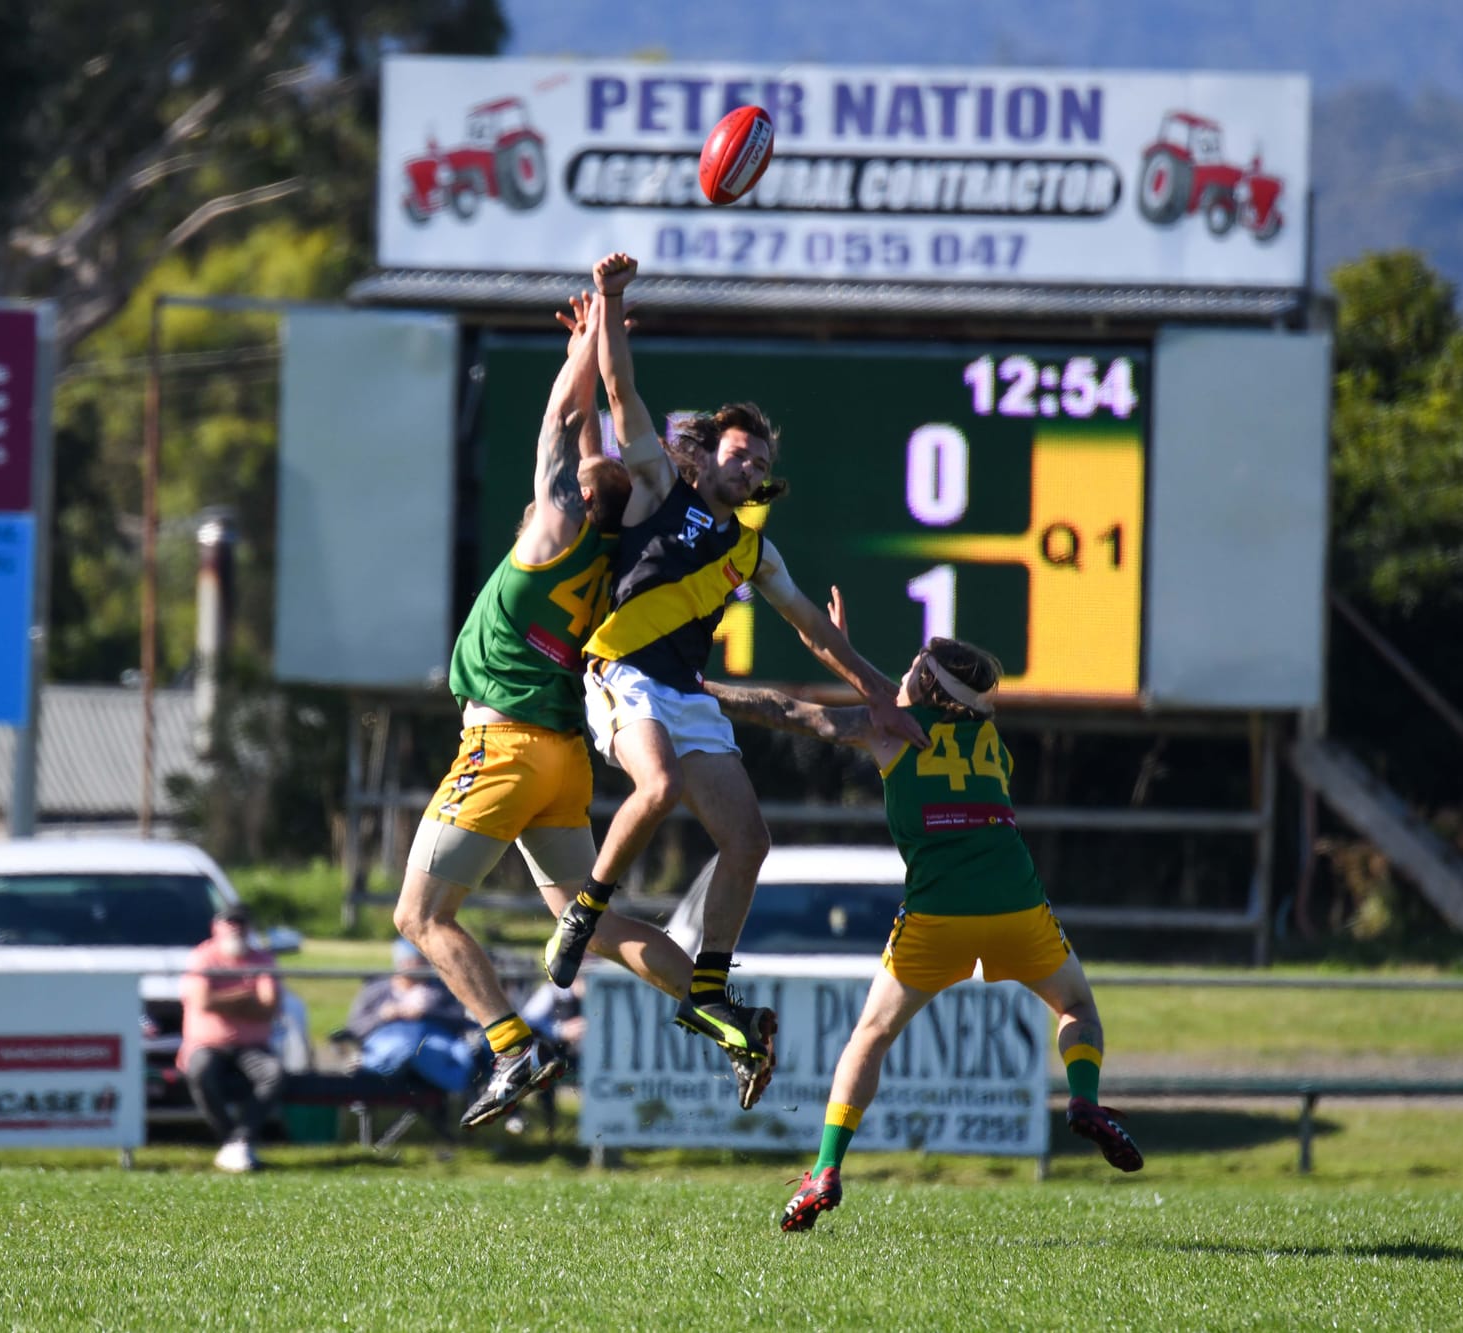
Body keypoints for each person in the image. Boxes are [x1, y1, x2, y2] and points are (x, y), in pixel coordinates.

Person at [392, 292, 769, 1128]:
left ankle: (511, 1045)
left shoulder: (548, 530)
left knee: (418, 914)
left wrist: (594, 335)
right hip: (563, 760)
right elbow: (594, 443)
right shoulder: (613, 545)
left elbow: (565, 419)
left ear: (565, 500)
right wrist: (598, 346)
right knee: (587, 925)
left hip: (504, 745)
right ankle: (728, 1013)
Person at [544, 251, 928, 1071]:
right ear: (709, 454)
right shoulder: (658, 489)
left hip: (680, 691)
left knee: (750, 840)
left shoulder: (752, 551)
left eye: (760, 462)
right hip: (619, 671)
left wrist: (881, 692)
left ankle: (708, 988)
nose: (750, 467)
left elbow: (814, 635)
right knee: (659, 787)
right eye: (738, 454)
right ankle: (582, 915)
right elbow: (619, 394)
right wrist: (612, 300)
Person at [700, 589, 1144, 1232]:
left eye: (912, 668)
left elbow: (785, 710)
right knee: (1076, 1008)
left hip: (936, 915)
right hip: (1015, 900)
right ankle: (1082, 1099)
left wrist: (698, 688)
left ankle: (825, 1168)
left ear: (926, 690)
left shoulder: (888, 736)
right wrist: (839, 651)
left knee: (870, 1037)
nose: (901, 674)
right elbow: (910, 699)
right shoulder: (989, 736)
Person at [178, 904, 285, 1173]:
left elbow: (270, 1006)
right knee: (200, 1071)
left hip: (252, 1048)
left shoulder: (262, 960)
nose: (236, 928)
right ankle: (232, 1140)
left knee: (274, 1074)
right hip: (208, 1045)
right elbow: (204, 1001)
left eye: (241, 923)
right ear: (217, 927)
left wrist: (224, 1000)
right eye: (229, 923)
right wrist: (247, 995)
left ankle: (241, 1139)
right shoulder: (203, 958)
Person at [342, 938, 482, 1095]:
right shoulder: (376, 990)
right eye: (416, 961)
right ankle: (368, 1063)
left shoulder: (441, 990)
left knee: (457, 1057)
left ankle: (464, 1101)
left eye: (424, 961)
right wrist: (383, 1015)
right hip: (389, 1041)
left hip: (434, 1044)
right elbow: (354, 1027)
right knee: (406, 1047)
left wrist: (426, 1013)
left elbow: (461, 1020)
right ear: (401, 963)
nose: (422, 965)